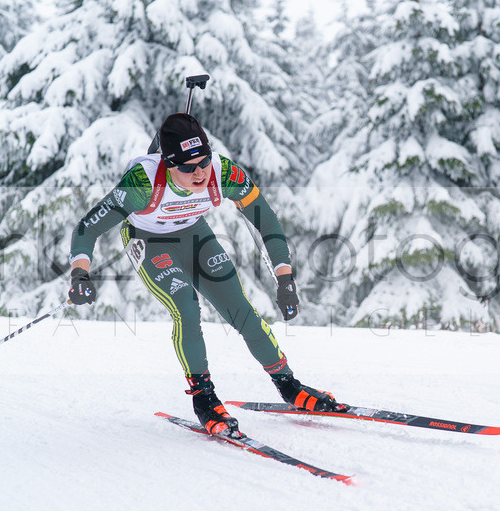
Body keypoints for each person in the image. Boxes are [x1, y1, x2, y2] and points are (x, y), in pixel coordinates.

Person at [66, 112, 346, 436]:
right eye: (187, 167)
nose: (199, 172)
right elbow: (86, 229)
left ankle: (289, 385)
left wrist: (284, 279)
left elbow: (266, 219)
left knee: (241, 310)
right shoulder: (141, 185)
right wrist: (80, 274)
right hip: (150, 243)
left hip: (194, 235)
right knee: (185, 304)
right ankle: (204, 397)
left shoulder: (221, 172)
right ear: (168, 164)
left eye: (204, 160)